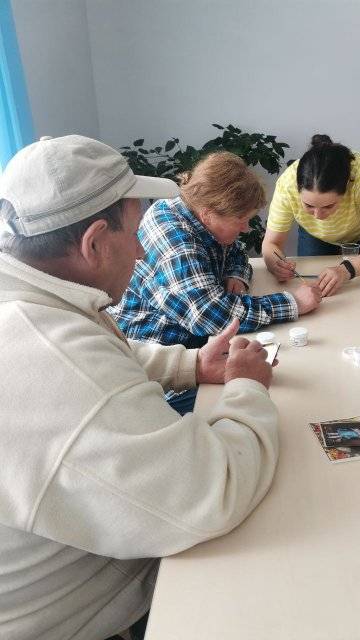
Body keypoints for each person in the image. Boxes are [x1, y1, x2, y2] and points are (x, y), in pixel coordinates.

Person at [0, 135, 280, 640]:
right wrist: (246, 389)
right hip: (76, 616)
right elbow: (212, 492)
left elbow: (101, 356)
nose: (142, 247)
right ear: (94, 242)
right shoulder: (51, 358)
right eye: (135, 232)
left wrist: (193, 365)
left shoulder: (26, 296)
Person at [110, 151, 321, 349]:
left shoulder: (195, 211)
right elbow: (209, 316)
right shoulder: (177, 243)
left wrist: (235, 274)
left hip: (191, 334)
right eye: (241, 220)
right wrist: (292, 303)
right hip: (161, 348)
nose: (246, 228)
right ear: (208, 214)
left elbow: (236, 251)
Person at [262, 134, 360, 297]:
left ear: (347, 186)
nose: (318, 215)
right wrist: (275, 264)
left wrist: (347, 270)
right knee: (317, 292)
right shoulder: (287, 185)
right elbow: (270, 244)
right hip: (315, 235)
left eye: (328, 206)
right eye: (308, 205)